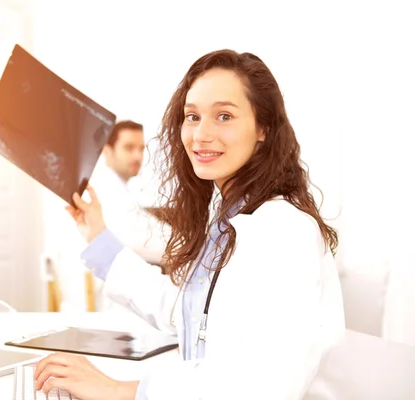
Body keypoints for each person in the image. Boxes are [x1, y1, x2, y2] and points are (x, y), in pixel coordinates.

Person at [34, 49, 346, 399]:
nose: (200, 134)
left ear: (263, 128)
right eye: (192, 116)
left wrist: (120, 390)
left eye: (224, 116)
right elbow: (188, 313)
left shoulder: (282, 229)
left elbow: (265, 386)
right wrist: (98, 236)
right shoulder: (229, 217)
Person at [90, 120, 170, 265]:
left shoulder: (122, 190)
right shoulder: (103, 192)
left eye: (141, 149)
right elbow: (134, 244)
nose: (137, 156)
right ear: (107, 151)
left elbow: (152, 227)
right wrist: (188, 249)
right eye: (129, 148)